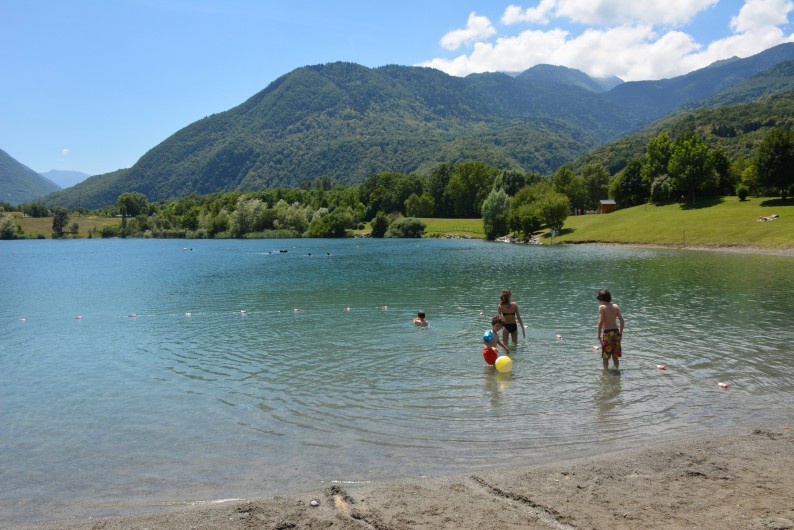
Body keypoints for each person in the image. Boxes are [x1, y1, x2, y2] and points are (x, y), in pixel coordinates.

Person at [597, 288, 625, 370]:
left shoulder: (602, 307)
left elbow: (600, 322)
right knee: (615, 356)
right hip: (616, 333)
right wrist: (621, 333)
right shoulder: (615, 306)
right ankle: (616, 371)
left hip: (607, 333)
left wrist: (598, 336)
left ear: (601, 299)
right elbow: (622, 321)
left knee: (605, 357)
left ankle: (606, 373)